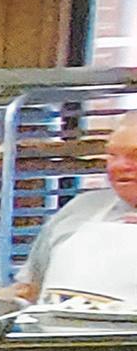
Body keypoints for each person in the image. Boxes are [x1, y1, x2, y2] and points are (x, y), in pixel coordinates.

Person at [10, 116, 137, 303]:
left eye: (135, 155)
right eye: (112, 155)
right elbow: (29, 290)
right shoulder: (83, 207)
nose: (119, 166)